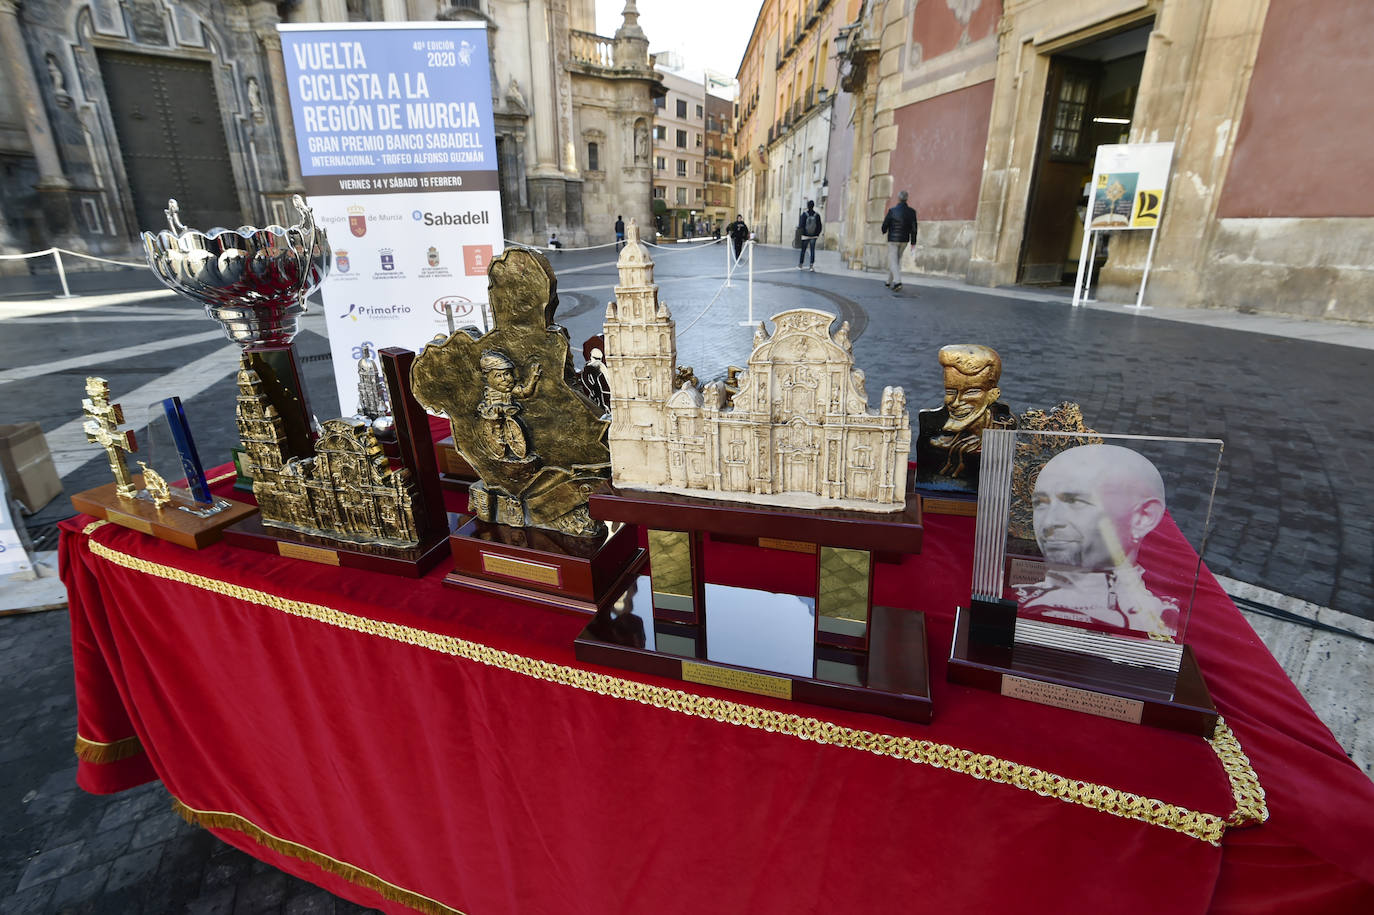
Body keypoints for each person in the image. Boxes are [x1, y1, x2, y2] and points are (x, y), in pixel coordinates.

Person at [1014, 444, 1180, 639]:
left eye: (1074, 502)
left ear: (1143, 518)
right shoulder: (1016, 600)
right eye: (1040, 503)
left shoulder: (1156, 620)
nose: (1050, 522)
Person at [915, 344, 1015, 487]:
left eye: (970, 392)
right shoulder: (930, 427)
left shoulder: (1004, 429)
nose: (955, 403)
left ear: (993, 395)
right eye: (950, 392)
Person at [879, 190, 918, 291]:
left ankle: (897, 282)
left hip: (893, 240)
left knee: (893, 261)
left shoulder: (892, 211)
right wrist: (913, 242)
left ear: (898, 198)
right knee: (896, 261)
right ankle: (888, 282)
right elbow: (914, 229)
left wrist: (884, 230)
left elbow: (885, 224)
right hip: (904, 240)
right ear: (907, 198)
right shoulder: (912, 212)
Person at [797, 200, 822, 271]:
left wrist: (801, 233)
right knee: (812, 251)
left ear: (807, 206)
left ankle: (800, 265)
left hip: (805, 236)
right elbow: (820, 226)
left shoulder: (804, 214)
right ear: (813, 206)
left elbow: (801, 225)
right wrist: (817, 234)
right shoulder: (817, 215)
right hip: (813, 236)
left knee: (803, 251)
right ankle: (811, 266)